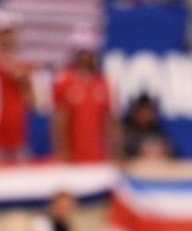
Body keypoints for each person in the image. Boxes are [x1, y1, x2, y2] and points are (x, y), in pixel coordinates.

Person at [50, 33, 117, 162]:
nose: (86, 56)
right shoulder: (64, 81)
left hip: (98, 155)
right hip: (73, 156)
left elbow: (109, 121)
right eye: (83, 52)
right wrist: (61, 152)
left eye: (90, 52)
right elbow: (58, 120)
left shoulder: (103, 82)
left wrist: (114, 153)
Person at [0, 10, 34, 162]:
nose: (6, 38)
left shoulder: (23, 65)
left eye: (9, 34)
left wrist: (22, 79)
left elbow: (32, 102)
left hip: (17, 135)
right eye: (3, 34)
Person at [121, 93, 174, 160]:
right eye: (142, 111)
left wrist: (164, 150)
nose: (144, 115)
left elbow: (171, 151)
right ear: (135, 112)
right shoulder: (126, 130)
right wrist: (140, 151)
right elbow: (121, 152)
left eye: (148, 111)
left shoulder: (157, 130)